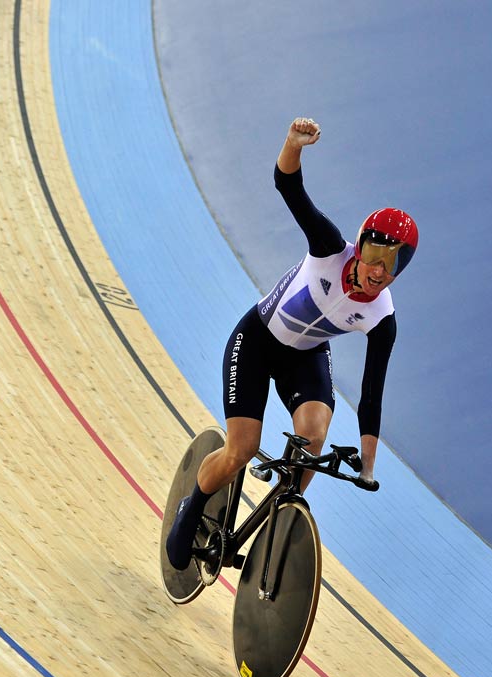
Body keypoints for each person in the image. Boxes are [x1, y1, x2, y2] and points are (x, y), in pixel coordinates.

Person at [166, 116, 418, 571]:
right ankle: (194, 504)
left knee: (315, 436)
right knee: (242, 449)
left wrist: (368, 466)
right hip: (258, 341)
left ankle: (277, 520)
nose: (380, 271)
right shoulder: (328, 246)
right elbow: (288, 185)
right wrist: (293, 144)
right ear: (360, 248)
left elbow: (371, 394)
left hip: (305, 357)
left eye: (393, 263)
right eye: (376, 257)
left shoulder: (383, 319)